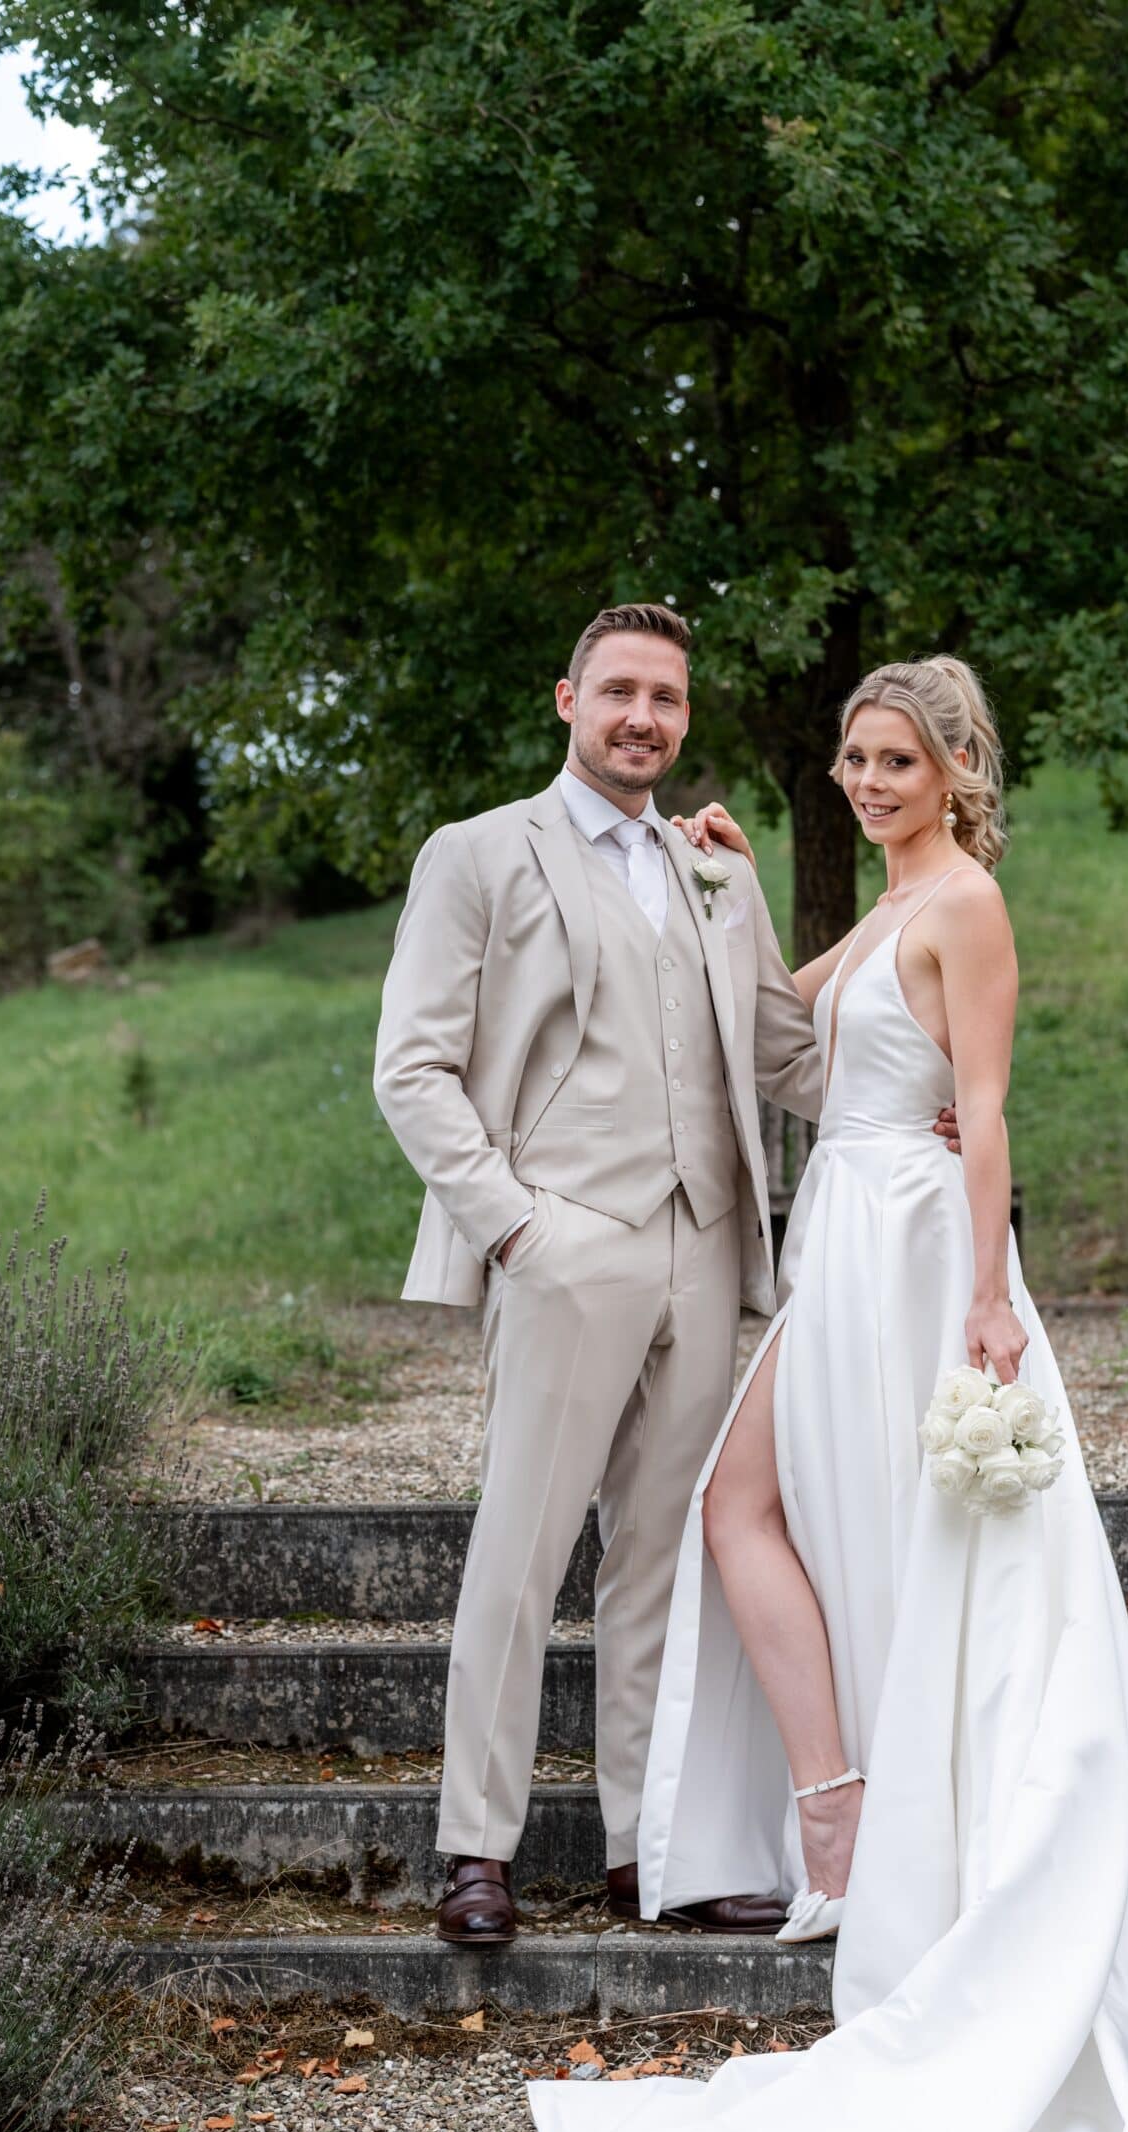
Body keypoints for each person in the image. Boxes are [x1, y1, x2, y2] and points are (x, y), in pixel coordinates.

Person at [527, 656, 1128, 2132]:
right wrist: (736, 887)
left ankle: (885, 1843)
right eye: (852, 756)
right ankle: (838, 1817)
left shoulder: (965, 905)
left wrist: (990, 1295)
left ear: (956, 770)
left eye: (895, 759)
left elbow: (982, 1109)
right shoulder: (888, 905)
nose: (864, 778)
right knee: (742, 1508)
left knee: (904, 1541)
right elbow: (787, 1039)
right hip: (839, 1240)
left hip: (914, 1253)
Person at [374, 603, 835, 1942]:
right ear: (568, 699)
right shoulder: (478, 853)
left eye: (667, 698)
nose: (645, 716)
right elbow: (412, 1065)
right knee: (521, 1550)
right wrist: (516, 1228)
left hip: (705, 1249)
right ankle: (478, 1850)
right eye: (621, 690)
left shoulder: (716, 871)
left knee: (662, 1561)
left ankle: (651, 1853)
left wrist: (930, 1087)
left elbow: (784, 1053)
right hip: (564, 1243)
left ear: (686, 719)